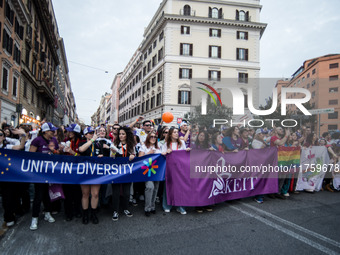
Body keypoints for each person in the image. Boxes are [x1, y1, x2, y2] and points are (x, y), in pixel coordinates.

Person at [29, 122, 59, 230]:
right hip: (39, 172)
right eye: (52, 131)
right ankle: (34, 218)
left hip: (50, 172)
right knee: (38, 195)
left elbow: (58, 154)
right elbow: (30, 155)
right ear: (45, 131)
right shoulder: (37, 140)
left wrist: (53, 150)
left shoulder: (54, 140)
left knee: (47, 194)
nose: (54, 132)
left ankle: (47, 213)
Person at [0, 128, 26, 227]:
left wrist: (23, 135)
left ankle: (9, 216)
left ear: (3, 137)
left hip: (7, 176)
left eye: (1, 135)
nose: (0, 136)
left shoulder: (7, 147)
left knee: (9, 196)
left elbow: (20, 146)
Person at [161, 127, 191, 215]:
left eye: (177, 132)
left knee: (180, 187)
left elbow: (184, 154)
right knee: (168, 186)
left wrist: (187, 151)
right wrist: (166, 152)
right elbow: (162, 154)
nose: (177, 134)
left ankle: (180, 206)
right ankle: (167, 205)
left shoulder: (181, 143)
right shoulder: (166, 144)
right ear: (170, 134)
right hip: (169, 168)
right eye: (174, 132)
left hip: (180, 169)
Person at [111, 127, 136, 221]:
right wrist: (113, 153)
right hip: (116, 172)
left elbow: (134, 156)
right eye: (120, 134)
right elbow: (111, 158)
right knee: (116, 192)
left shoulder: (131, 145)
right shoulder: (114, 144)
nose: (121, 136)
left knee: (126, 192)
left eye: (123, 134)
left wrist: (132, 157)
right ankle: (115, 211)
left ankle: (125, 208)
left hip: (127, 171)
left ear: (127, 135)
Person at [78, 126, 101, 224]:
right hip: (85, 172)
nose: (92, 134)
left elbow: (103, 155)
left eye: (93, 132)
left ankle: (93, 214)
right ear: (86, 134)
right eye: (90, 132)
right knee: (85, 194)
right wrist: (92, 140)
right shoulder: (83, 143)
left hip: (96, 172)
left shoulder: (98, 144)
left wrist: (102, 156)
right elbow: (81, 150)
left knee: (95, 194)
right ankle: (85, 214)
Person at [138, 131, 162, 216]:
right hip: (147, 171)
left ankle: (152, 206)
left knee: (155, 188)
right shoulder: (144, 147)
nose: (153, 138)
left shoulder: (159, 147)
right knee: (149, 187)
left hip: (156, 171)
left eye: (154, 137)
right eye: (151, 136)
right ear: (148, 138)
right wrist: (149, 153)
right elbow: (139, 159)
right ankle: (147, 208)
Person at [63, 124, 83, 221]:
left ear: (76, 133)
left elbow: (83, 157)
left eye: (71, 131)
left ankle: (77, 210)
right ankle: (68, 213)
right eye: (68, 131)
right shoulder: (66, 141)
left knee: (77, 193)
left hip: (78, 171)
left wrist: (72, 152)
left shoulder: (82, 142)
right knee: (68, 193)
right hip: (67, 171)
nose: (69, 133)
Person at [270, 126, 291, 199]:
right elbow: (280, 143)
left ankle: (278, 191)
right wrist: (286, 135)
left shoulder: (281, 139)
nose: (282, 130)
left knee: (283, 177)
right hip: (275, 160)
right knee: (277, 177)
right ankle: (272, 192)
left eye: (282, 129)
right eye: (280, 129)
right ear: (276, 131)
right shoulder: (273, 138)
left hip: (282, 160)